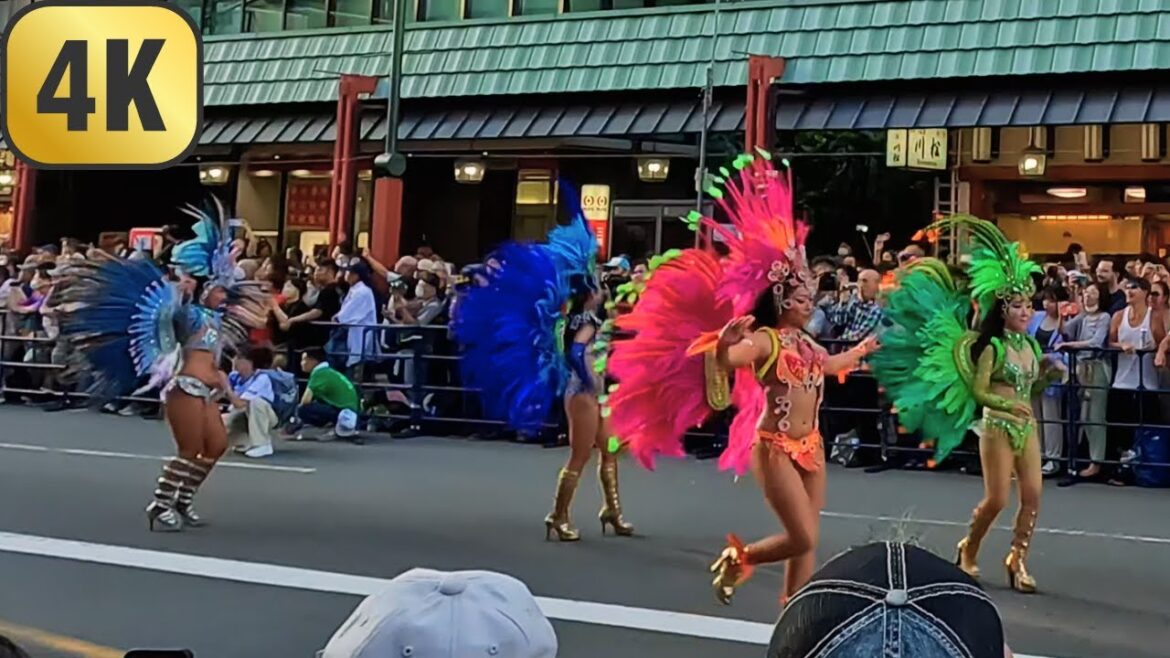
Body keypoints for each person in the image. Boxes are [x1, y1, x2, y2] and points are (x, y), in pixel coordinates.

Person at [605, 152, 873, 607]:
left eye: (812, 294)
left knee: (807, 540)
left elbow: (829, 367)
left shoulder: (808, 344)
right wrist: (726, 343)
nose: (810, 301)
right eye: (802, 295)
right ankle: (739, 557)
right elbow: (730, 359)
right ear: (782, 299)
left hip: (812, 448)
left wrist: (862, 352)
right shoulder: (766, 340)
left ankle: (795, 612)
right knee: (803, 536)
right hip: (773, 448)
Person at [871, 215, 1064, 594]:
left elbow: (1029, 388)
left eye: (1029, 305)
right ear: (1002, 310)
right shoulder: (992, 346)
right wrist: (1006, 406)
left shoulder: (1031, 346)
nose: (1025, 312)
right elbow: (980, 392)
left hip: (1026, 427)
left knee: (1034, 495)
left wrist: (1047, 377)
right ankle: (969, 548)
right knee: (997, 498)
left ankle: (1017, 559)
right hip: (995, 427)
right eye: (1017, 306)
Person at [56, 200, 267, 532]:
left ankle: (183, 500)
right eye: (220, 290)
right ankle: (161, 502)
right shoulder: (188, 312)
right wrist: (181, 289)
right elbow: (172, 312)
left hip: (208, 391)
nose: (226, 295)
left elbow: (216, 363)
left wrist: (230, 393)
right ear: (207, 288)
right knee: (190, 449)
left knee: (216, 446)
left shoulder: (215, 320)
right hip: (184, 388)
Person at [453, 180, 635, 542]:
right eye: (599, 286)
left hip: (595, 393)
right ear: (590, 296)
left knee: (610, 450)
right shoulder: (586, 322)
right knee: (581, 456)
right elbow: (578, 352)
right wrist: (586, 377)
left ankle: (612, 511)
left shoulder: (586, 318)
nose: (604, 289)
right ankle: (558, 514)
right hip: (583, 394)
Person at [223, 344, 279, 459]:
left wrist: (227, 388)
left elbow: (240, 404)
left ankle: (263, 444)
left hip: (267, 415)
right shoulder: (234, 377)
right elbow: (214, 396)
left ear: (248, 362)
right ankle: (244, 442)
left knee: (256, 403)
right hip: (245, 415)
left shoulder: (262, 378)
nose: (234, 361)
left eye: (237, 358)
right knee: (223, 419)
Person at [296, 347, 361, 436]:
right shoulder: (328, 371)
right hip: (351, 410)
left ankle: (331, 424)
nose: (301, 363)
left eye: (304, 360)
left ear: (313, 361)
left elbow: (305, 401)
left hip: (343, 411)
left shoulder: (319, 373)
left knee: (302, 410)